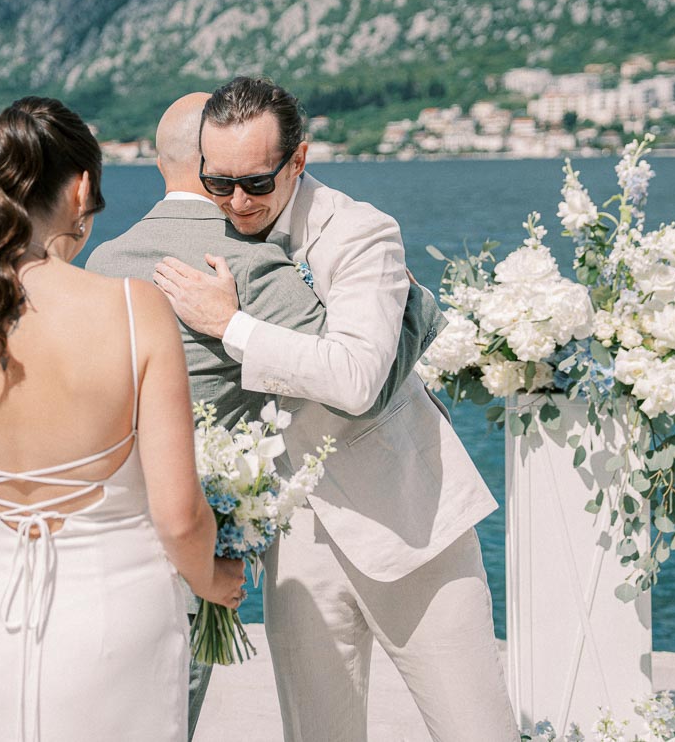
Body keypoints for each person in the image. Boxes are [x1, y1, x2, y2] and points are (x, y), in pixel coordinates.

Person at [154, 76, 517, 742]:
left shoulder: (360, 233)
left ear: (298, 159)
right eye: (218, 181)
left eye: (257, 183)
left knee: (477, 731)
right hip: (292, 541)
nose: (236, 202)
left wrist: (229, 325)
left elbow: (355, 377)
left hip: (407, 527)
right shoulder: (210, 231)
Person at [85, 92, 444, 738]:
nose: (240, 195)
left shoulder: (103, 263)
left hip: (110, 540)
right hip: (197, 535)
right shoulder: (250, 264)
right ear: (206, 163)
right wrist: (418, 312)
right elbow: (358, 381)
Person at [0, 97, 243, 742]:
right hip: (112, 624)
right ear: (82, 188)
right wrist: (213, 579)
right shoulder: (134, 309)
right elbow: (179, 514)